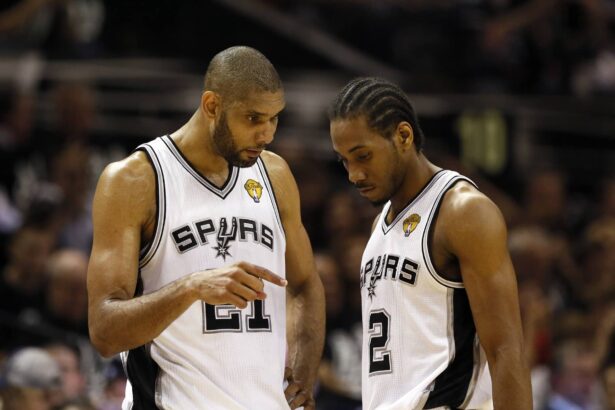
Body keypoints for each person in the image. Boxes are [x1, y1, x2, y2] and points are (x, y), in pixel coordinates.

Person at [87, 46, 325, 409]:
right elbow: (104, 330)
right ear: (212, 105)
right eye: (253, 118)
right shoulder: (136, 179)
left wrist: (303, 374)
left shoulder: (274, 175)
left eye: (275, 118)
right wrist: (192, 287)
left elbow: (305, 284)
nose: (267, 134)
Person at [328, 77, 532, 409]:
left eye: (363, 156)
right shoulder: (380, 222)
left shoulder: (463, 211)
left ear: (403, 136)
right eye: (344, 161)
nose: (353, 174)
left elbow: (506, 350)